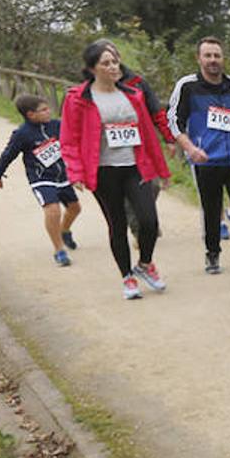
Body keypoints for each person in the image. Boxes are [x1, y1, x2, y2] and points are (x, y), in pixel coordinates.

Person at [59, 41, 170, 300]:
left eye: (115, 61)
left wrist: (161, 169)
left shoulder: (133, 95)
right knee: (117, 224)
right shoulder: (79, 99)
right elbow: (70, 139)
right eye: (106, 63)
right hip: (103, 170)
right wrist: (75, 173)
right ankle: (127, 278)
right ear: (92, 69)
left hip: (135, 167)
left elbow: (147, 136)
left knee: (149, 221)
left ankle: (145, 264)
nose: (113, 67)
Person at [168, 37, 230, 278]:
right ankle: (212, 252)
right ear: (199, 58)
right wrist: (190, 148)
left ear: (223, 58)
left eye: (217, 56)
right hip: (205, 160)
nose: (213, 60)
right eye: (208, 55)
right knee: (211, 210)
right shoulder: (188, 86)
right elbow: (174, 121)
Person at [0, 94, 82, 266]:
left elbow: (74, 141)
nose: (49, 112)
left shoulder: (57, 125)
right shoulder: (22, 134)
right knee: (53, 210)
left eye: (48, 108)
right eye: (44, 110)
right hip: (41, 179)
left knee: (75, 209)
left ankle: (65, 230)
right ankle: (59, 250)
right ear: (30, 114)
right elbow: (8, 155)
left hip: (63, 176)